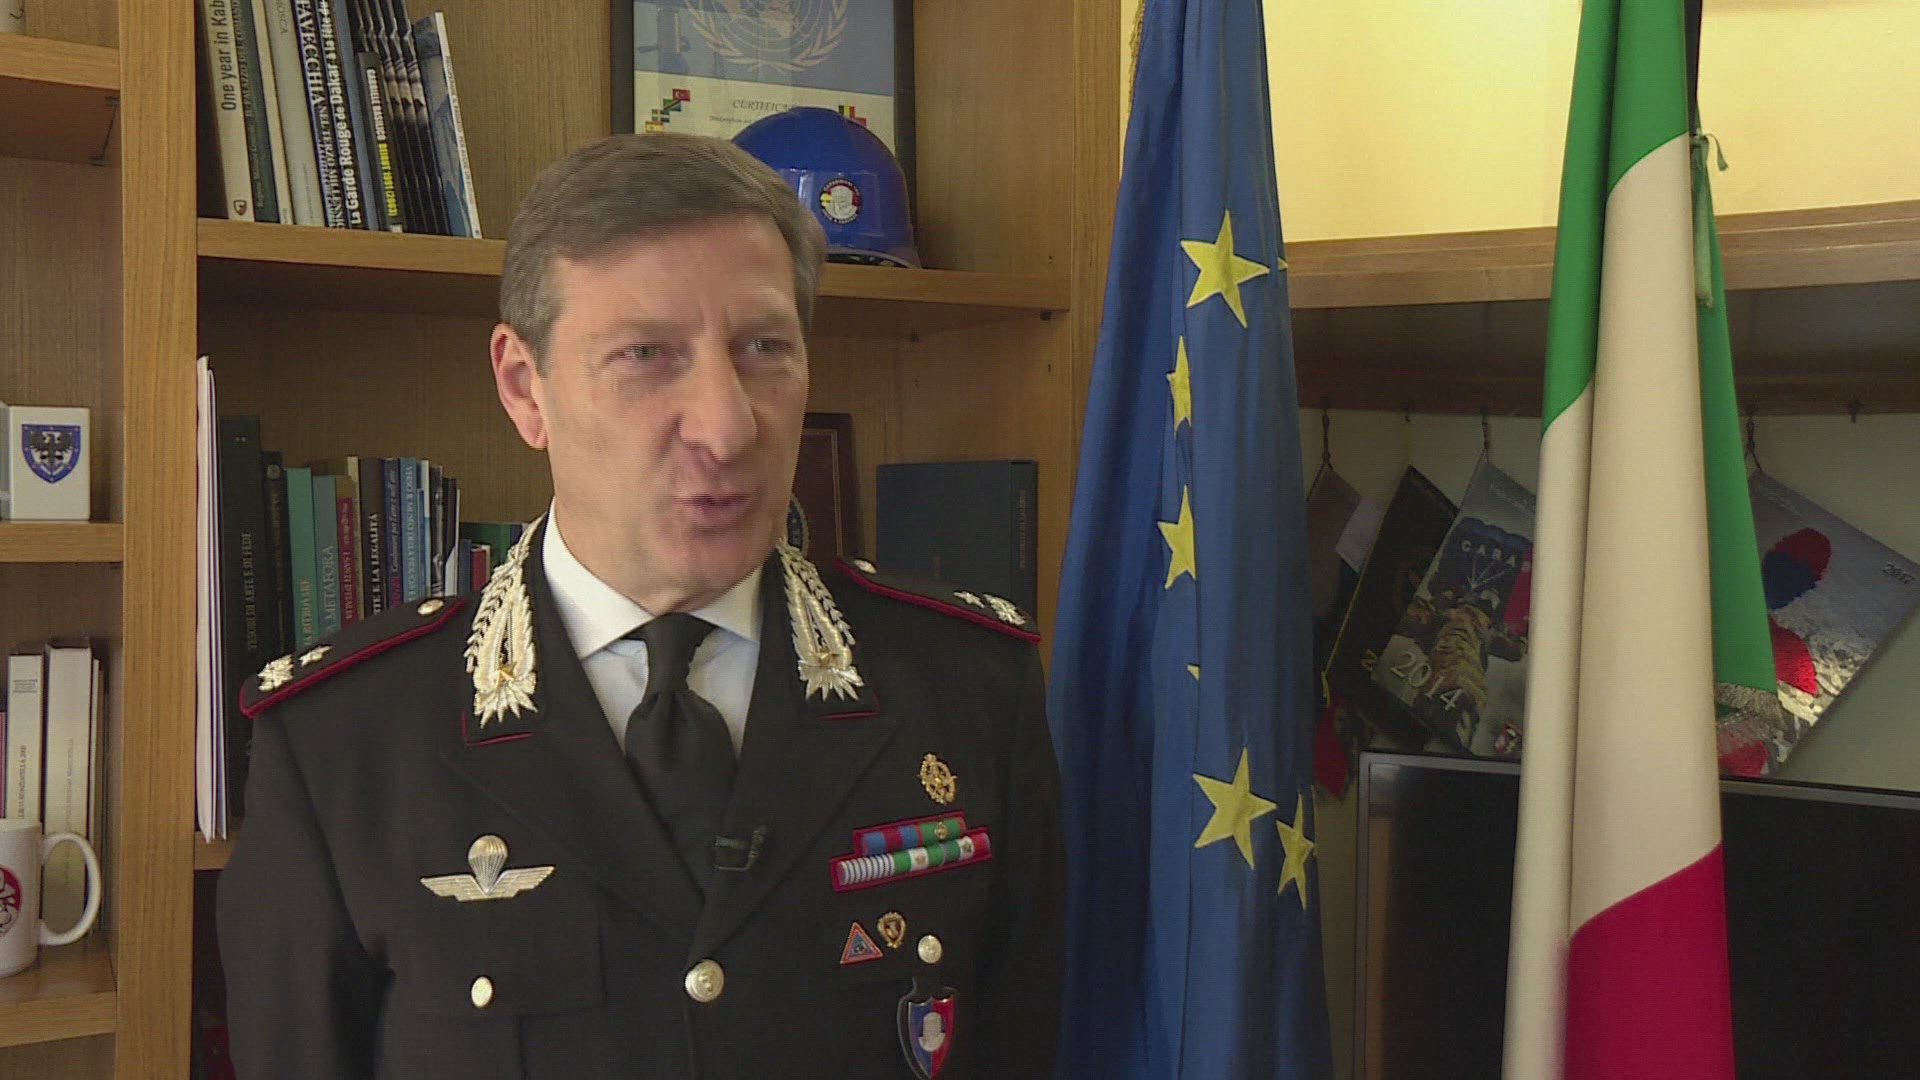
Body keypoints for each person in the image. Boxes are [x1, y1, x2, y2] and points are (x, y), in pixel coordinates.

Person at [218, 133, 1064, 1079]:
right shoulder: (342, 744)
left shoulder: (968, 686)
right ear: (524, 388)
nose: (728, 427)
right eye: (647, 355)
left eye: (765, 348)